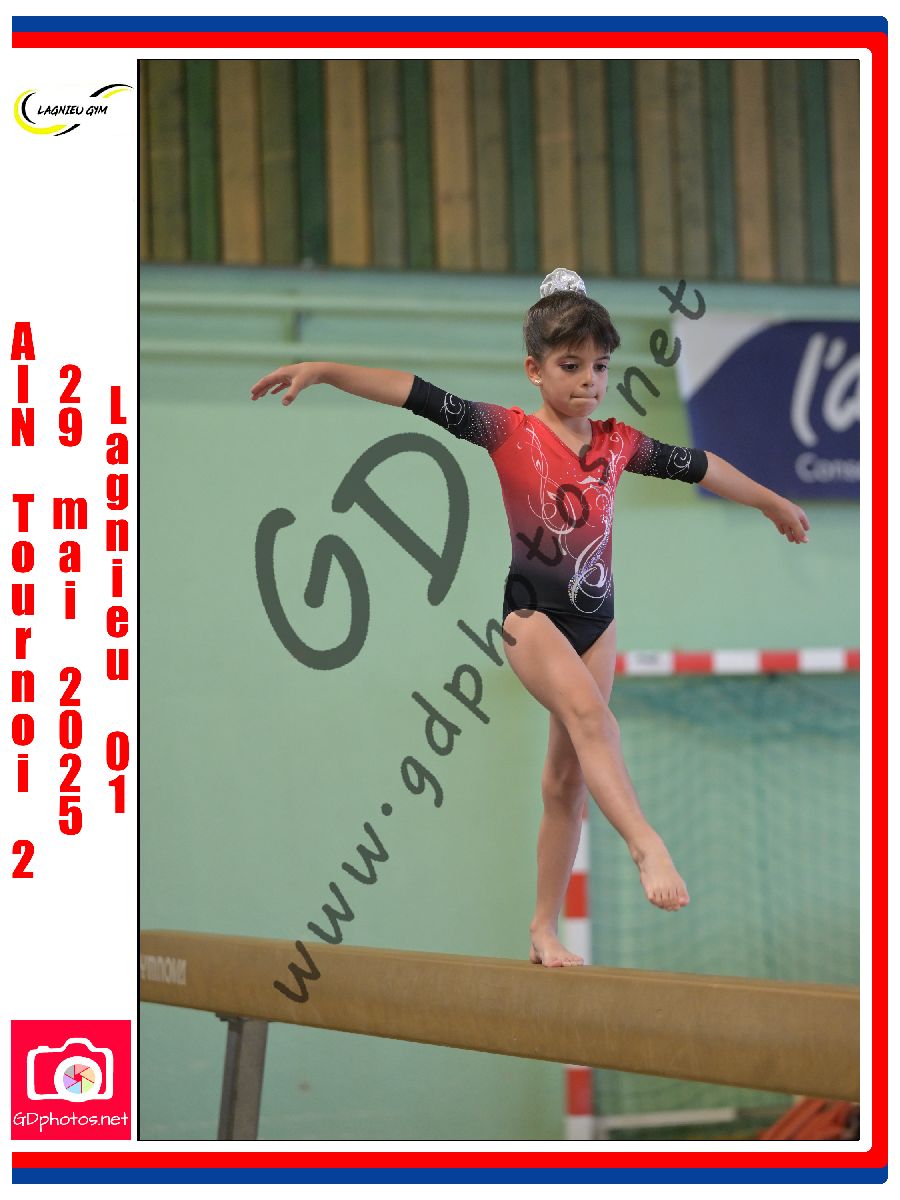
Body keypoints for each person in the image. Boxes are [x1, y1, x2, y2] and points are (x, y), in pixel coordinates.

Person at [250, 268, 810, 969]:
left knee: (564, 782)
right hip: (530, 619)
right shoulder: (506, 430)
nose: (589, 381)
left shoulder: (618, 443)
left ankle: (543, 929)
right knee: (595, 722)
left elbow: (702, 466)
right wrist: (326, 370)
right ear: (534, 369)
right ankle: (645, 843)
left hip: (597, 623)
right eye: (570, 366)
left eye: (600, 367)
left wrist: (770, 501)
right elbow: (414, 391)